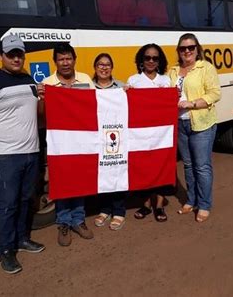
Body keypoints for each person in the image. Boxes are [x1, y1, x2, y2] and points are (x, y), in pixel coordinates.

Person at [0, 34, 45, 274]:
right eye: (11, 54)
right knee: (6, 204)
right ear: (1, 56)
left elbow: (38, 114)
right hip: (6, 155)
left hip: (31, 152)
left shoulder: (29, 80)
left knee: (26, 200)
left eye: (20, 54)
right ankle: (4, 250)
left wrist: (43, 99)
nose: (16, 58)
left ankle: (21, 239)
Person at [38, 43, 95, 246]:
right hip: (58, 141)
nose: (65, 63)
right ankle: (63, 222)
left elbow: (97, 105)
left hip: (81, 140)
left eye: (68, 58)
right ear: (55, 62)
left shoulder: (86, 79)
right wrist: (43, 98)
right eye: (61, 59)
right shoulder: (48, 83)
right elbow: (42, 116)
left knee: (80, 181)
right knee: (61, 181)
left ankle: (79, 220)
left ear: (74, 59)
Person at [168, 33, 221, 223]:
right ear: (178, 51)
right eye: (183, 48)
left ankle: (204, 204)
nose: (187, 51)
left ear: (197, 49)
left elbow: (215, 93)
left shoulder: (205, 67)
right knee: (188, 165)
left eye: (191, 47)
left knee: (202, 167)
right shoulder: (173, 71)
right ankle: (191, 200)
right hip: (180, 124)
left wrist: (193, 104)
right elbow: (162, 91)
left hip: (201, 123)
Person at [127, 43, 172, 222]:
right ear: (141, 60)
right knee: (143, 168)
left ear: (159, 61)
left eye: (155, 58)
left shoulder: (166, 80)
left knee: (161, 166)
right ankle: (145, 204)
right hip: (141, 134)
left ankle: (159, 206)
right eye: (147, 57)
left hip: (162, 134)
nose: (151, 61)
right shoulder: (133, 80)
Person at [91, 53, 127, 230]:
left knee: (118, 172)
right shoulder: (88, 87)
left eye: (107, 65)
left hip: (117, 135)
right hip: (97, 138)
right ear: (95, 68)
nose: (104, 68)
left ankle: (119, 211)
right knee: (102, 174)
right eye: (100, 64)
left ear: (112, 68)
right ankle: (105, 209)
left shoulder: (122, 86)